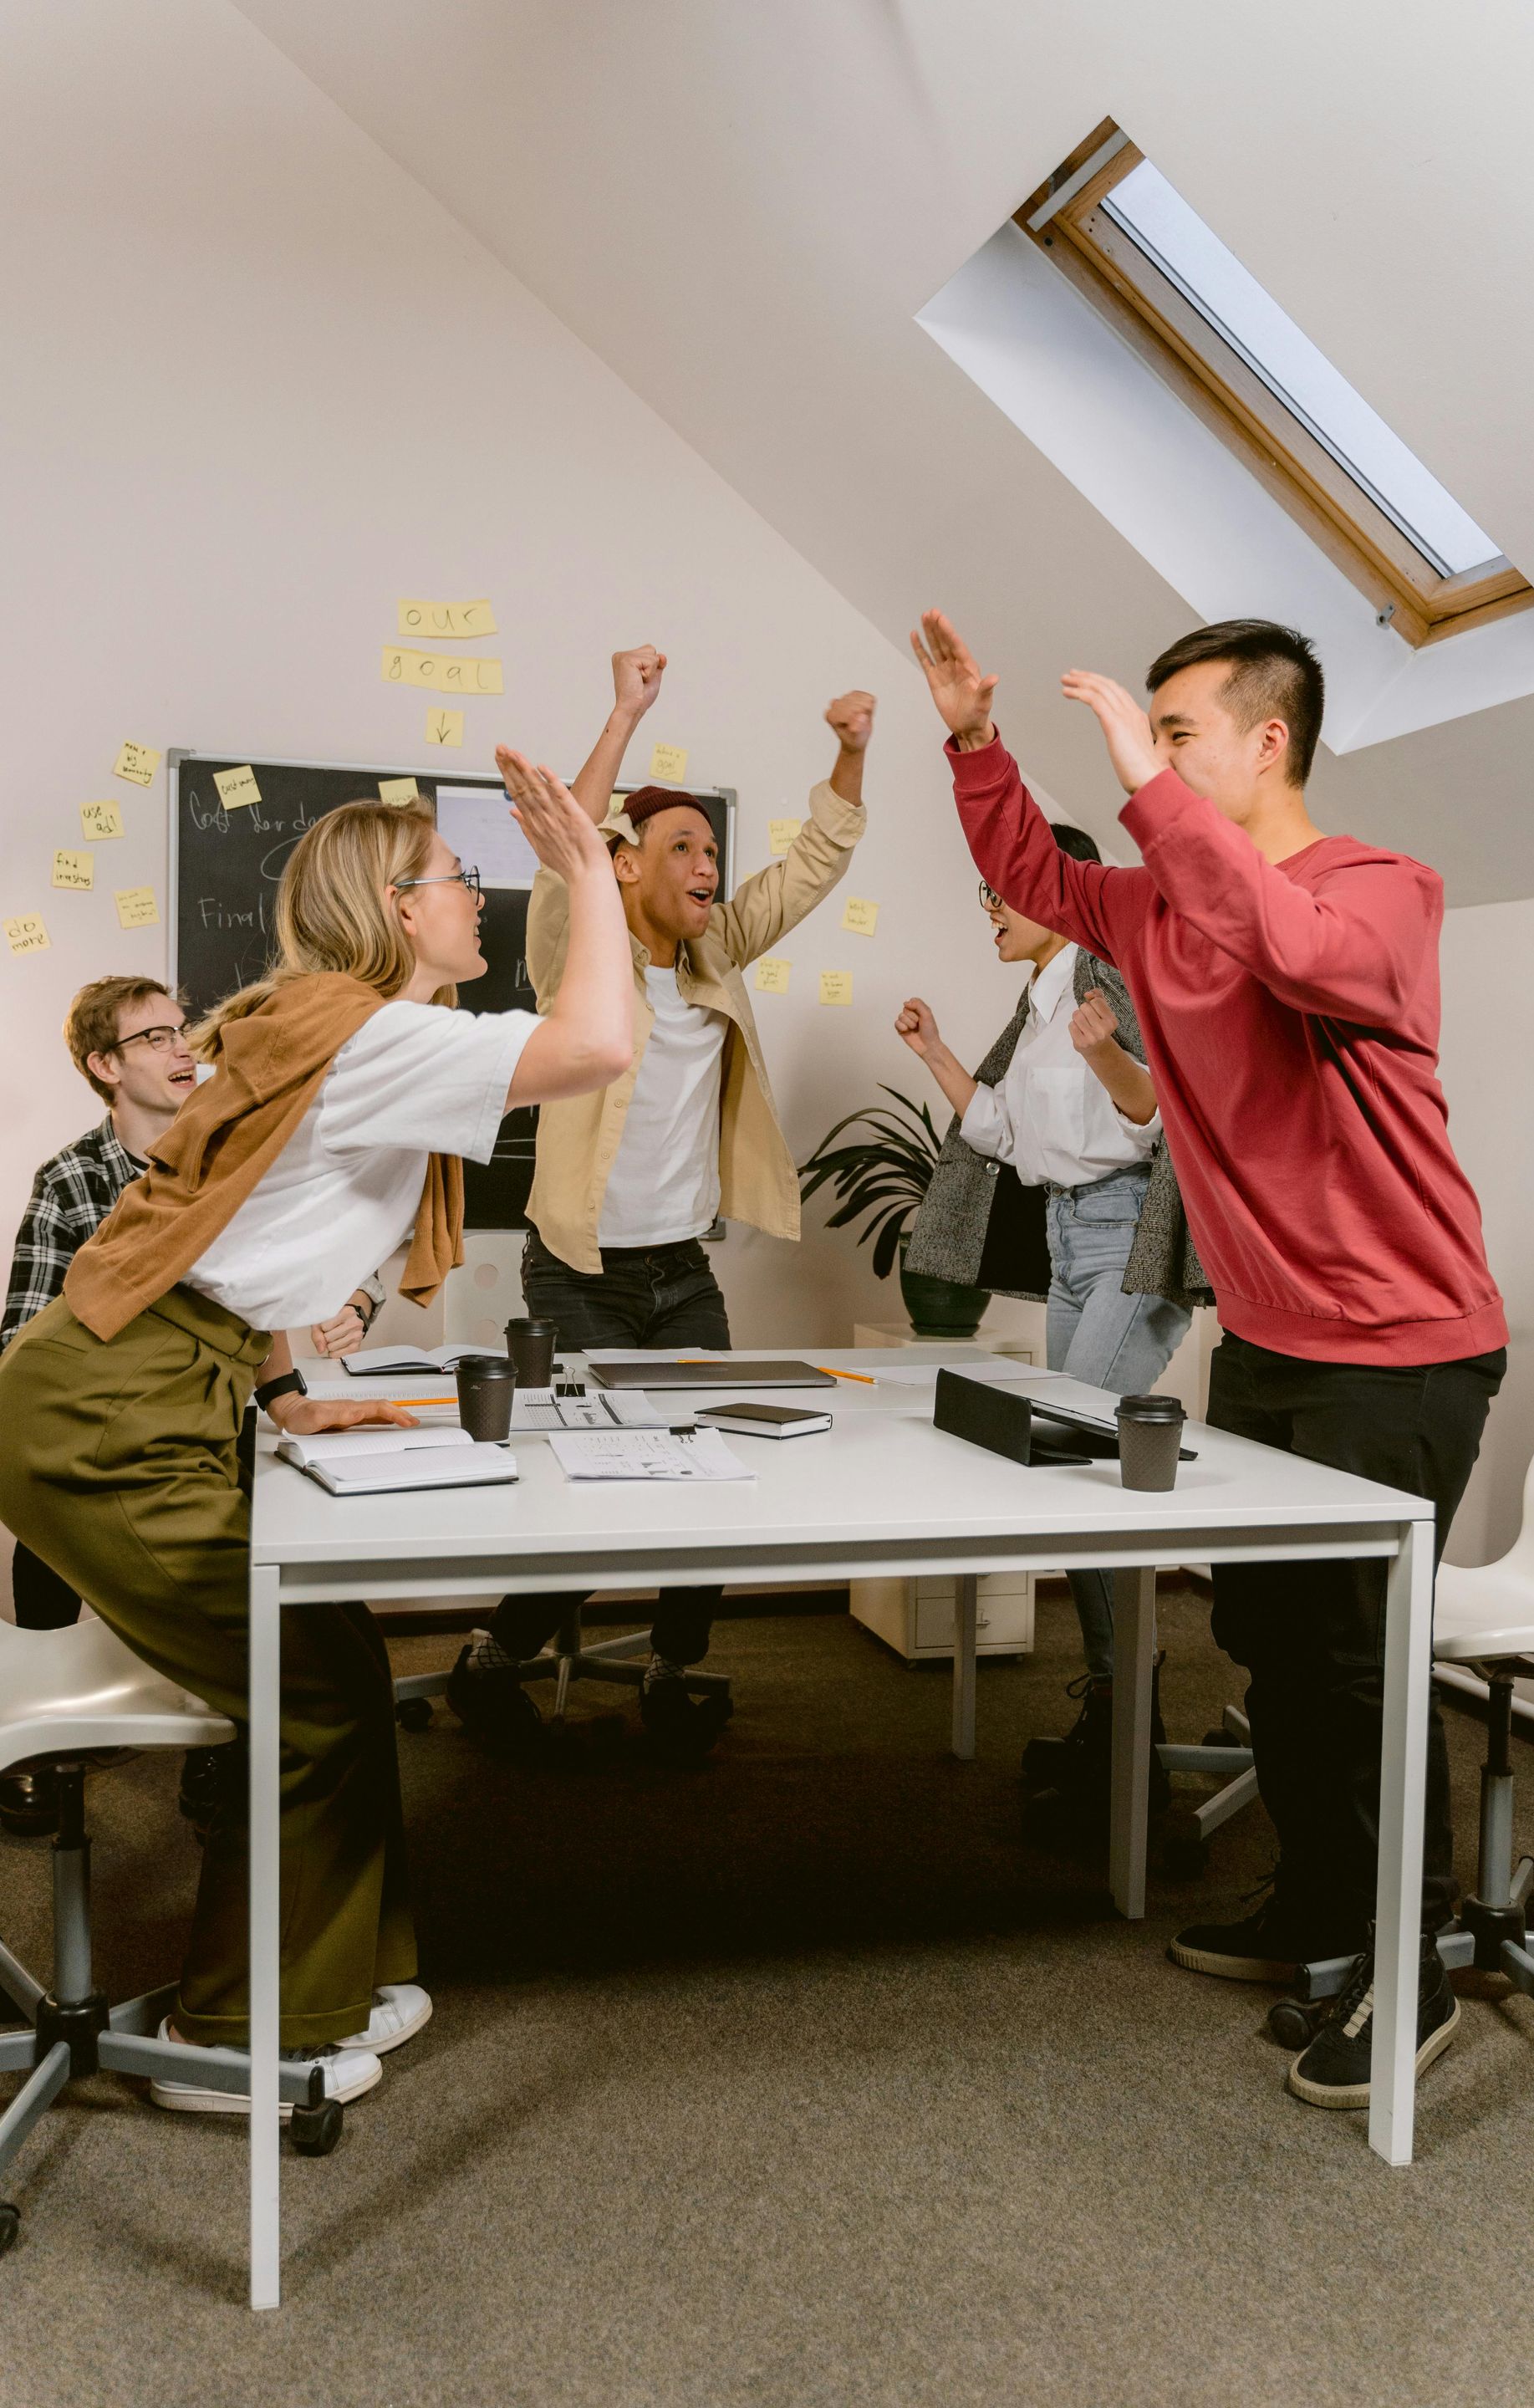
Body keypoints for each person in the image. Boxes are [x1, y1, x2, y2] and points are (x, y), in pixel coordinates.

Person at [911, 606, 1506, 2111]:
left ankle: (1411, 1957)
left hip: (1399, 1349)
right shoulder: (1164, 912)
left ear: (1268, 742)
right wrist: (976, 744)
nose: (1149, 759)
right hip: (1272, 1344)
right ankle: (1321, 1908)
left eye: (1176, 733)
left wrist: (1151, 794)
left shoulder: (1383, 892)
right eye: (1148, 733)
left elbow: (1289, 948)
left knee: (1365, 1669)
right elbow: (1037, 881)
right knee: (1282, 1654)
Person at [0, 767, 633, 2113]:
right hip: (110, 1408)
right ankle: (236, 2043)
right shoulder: (374, 1037)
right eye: (460, 882)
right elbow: (599, 1044)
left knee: (333, 1645)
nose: (480, 898)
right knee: (313, 1689)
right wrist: (587, 876)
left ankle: (334, 1975)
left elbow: (232, 1241)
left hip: (153, 1380)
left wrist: (287, 1393)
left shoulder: (337, 1027)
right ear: (400, 911)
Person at [448, 644, 874, 1757]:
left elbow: (811, 867)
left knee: (714, 1481)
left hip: (683, 1275)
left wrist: (849, 752)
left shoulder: (716, 954)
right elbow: (560, 859)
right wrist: (623, 714)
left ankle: (675, 1666)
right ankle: (499, 1652)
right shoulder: (577, 956)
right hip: (579, 1278)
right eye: (683, 847)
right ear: (626, 865)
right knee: (582, 1491)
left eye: (714, 851)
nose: (708, 867)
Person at [0, 975, 383, 1839]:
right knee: (47, 1527)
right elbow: (22, 1337)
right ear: (104, 1066)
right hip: (112, 1417)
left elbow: (285, 1276)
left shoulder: (231, 1153)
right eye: (154, 1038)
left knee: (285, 1539)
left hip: (212, 1423)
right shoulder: (70, 1181)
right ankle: (44, 1756)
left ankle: (231, 1729)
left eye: (184, 1031)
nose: (183, 1049)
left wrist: (305, 1368)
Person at [896, 832, 1208, 1835]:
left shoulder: (1104, 974)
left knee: (1085, 1475)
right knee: (1077, 1479)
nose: (989, 904)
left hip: (1126, 1231)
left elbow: (1154, 1107)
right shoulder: (1036, 1000)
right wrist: (937, 1052)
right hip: (1072, 1234)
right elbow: (1001, 1134)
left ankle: (1130, 1743)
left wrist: (1105, 1049)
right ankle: (1119, 1717)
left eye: (1006, 889)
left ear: (1061, 891)